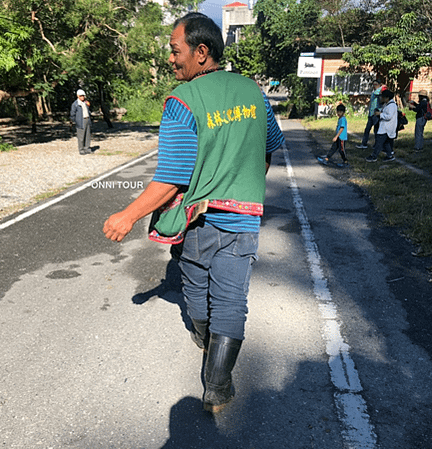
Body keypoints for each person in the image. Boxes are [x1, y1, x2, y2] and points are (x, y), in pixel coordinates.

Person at [103, 12, 285, 414]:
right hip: (243, 219)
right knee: (231, 299)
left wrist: (126, 215)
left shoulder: (182, 102)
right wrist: (243, 182)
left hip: (196, 221)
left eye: (175, 51)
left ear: (201, 52)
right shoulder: (253, 92)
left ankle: (204, 340)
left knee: (197, 291)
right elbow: (268, 147)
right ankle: (218, 388)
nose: (171, 59)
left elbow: (171, 178)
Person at [366, 89, 397, 162]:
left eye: (382, 97)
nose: (381, 98)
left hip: (387, 127)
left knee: (379, 143)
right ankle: (389, 156)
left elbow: (389, 116)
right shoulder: (387, 104)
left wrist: (380, 114)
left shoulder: (392, 106)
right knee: (386, 143)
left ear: (387, 98)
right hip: (385, 127)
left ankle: (374, 156)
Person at [356, 80, 386, 149]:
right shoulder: (374, 91)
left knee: (376, 130)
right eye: (373, 84)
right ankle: (364, 143)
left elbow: (381, 96)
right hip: (371, 113)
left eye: (376, 84)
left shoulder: (379, 91)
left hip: (376, 113)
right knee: (367, 129)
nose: (374, 86)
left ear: (379, 84)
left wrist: (382, 87)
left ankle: (377, 145)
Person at [70, 89, 92, 154]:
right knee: (81, 136)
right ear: (78, 96)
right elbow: (72, 114)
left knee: (87, 135)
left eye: (83, 96)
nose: (82, 97)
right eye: (81, 96)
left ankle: (87, 148)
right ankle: (81, 149)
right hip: (80, 121)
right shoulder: (75, 104)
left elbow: (89, 110)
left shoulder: (86, 103)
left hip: (87, 119)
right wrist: (75, 121)